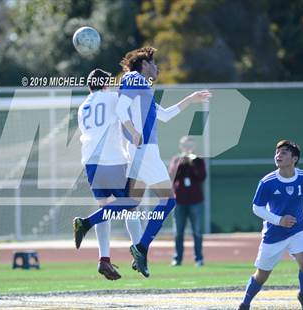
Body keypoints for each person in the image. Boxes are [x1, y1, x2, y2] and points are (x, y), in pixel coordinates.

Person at [74, 46, 212, 278]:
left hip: (138, 152)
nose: (157, 68)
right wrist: (132, 130)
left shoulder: (142, 89)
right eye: (154, 63)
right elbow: (120, 108)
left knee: (130, 203)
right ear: (145, 64)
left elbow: (166, 115)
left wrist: (190, 99)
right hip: (145, 150)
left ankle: (88, 224)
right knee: (168, 201)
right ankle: (140, 247)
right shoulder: (135, 77)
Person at [238, 140, 303, 310]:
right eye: (277, 152)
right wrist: (279, 220)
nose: (278, 155)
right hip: (273, 234)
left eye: (284, 152)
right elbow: (257, 208)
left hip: (298, 229)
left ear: (294, 158)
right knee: (262, 275)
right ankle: (245, 303)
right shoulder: (267, 182)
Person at [76, 68, 142, 280]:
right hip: (111, 159)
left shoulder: (83, 106)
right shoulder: (112, 98)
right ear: (105, 85)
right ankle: (139, 252)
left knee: (105, 206)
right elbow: (129, 102)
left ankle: (104, 258)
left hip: (90, 161)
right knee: (130, 204)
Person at [169, 136, 206, 267]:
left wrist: (192, 164)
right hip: (179, 201)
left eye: (189, 146)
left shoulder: (198, 160)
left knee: (196, 231)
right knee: (178, 232)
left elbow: (202, 176)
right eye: (185, 146)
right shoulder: (176, 159)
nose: (187, 148)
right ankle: (177, 258)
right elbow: (172, 176)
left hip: (195, 200)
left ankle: (199, 258)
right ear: (181, 146)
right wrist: (181, 164)